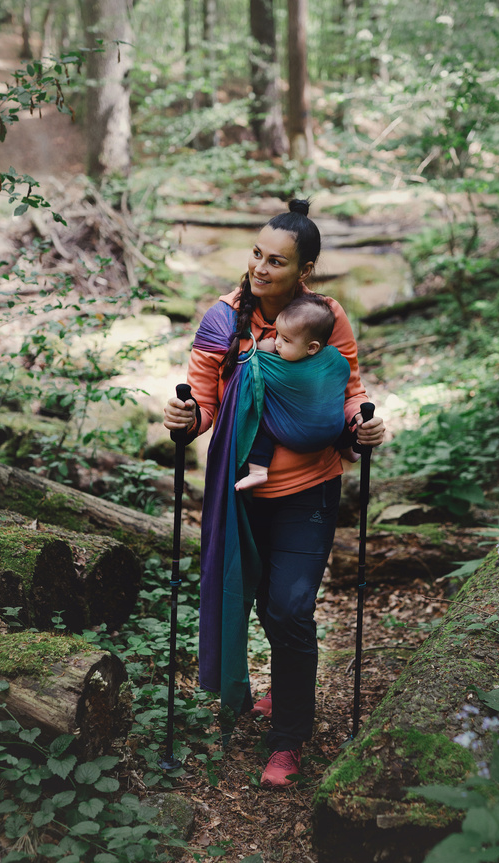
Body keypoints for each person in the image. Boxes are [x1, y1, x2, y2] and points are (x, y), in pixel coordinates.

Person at [163, 198, 385, 789]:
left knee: (289, 607)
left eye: (277, 261)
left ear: (303, 270)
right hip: (240, 492)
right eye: (257, 255)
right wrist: (185, 417)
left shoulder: (325, 317)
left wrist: (361, 425)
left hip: (309, 488)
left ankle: (288, 738)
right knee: (260, 600)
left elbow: (344, 387)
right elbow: (205, 404)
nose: (261, 268)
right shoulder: (222, 320)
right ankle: (281, 692)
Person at [234, 293, 350, 492]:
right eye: (277, 334)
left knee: (259, 419)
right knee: (333, 408)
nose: (277, 342)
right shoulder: (332, 358)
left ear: (312, 347)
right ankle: (350, 449)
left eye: (285, 340)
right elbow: (343, 371)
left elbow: (254, 365)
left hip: (295, 436)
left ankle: (258, 471)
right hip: (333, 433)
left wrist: (263, 351)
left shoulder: (279, 367)